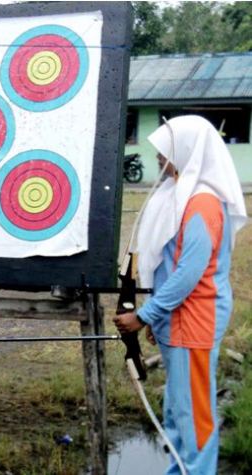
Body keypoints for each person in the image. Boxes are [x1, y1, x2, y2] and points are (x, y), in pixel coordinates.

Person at [113, 115, 248, 474]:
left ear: (188, 151)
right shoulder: (180, 194)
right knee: (177, 409)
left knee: (193, 412)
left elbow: (189, 274)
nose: (158, 157)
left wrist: (143, 316)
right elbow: (169, 265)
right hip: (177, 319)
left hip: (194, 321)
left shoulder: (202, 203)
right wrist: (156, 317)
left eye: (165, 150)